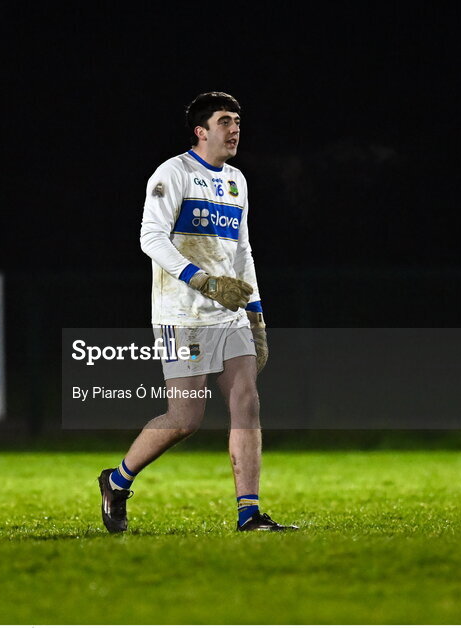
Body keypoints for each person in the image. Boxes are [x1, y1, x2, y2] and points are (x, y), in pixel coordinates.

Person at [98, 92, 297, 533]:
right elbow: (151, 239)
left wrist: (257, 314)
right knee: (185, 419)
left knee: (246, 402)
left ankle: (249, 513)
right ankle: (117, 480)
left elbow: (241, 251)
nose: (235, 129)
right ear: (200, 131)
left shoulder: (237, 181)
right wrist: (203, 281)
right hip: (182, 313)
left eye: (238, 121)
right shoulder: (174, 173)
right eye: (225, 120)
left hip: (229, 315)